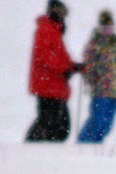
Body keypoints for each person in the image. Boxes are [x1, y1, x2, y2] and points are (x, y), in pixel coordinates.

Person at [26, 1, 83, 142]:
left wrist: (74, 66)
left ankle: (50, 151)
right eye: (59, 11)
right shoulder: (46, 29)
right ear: (51, 11)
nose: (62, 15)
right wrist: (64, 69)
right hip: (47, 85)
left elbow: (60, 58)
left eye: (64, 13)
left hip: (56, 86)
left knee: (61, 126)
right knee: (49, 122)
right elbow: (43, 55)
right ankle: (31, 149)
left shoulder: (55, 31)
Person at [77, 10, 116, 143]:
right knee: (98, 120)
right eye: (105, 27)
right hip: (101, 90)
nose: (107, 30)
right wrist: (92, 80)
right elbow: (89, 65)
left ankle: (97, 143)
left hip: (115, 90)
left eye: (110, 27)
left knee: (108, 123)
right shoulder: (94, 44)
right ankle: (85, 142)